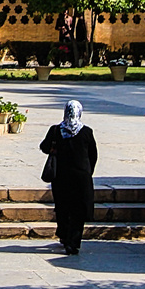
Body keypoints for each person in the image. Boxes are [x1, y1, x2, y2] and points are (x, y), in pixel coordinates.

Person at [39, 99, 98, 255]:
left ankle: (65, 236)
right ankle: (74, 242)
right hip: (81, 177)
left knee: (63, 207)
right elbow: (93, 155)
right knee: (78, 209)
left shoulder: (56, 130)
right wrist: (87, 171)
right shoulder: (86, 132)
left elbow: (44, 148)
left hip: (61, 176)